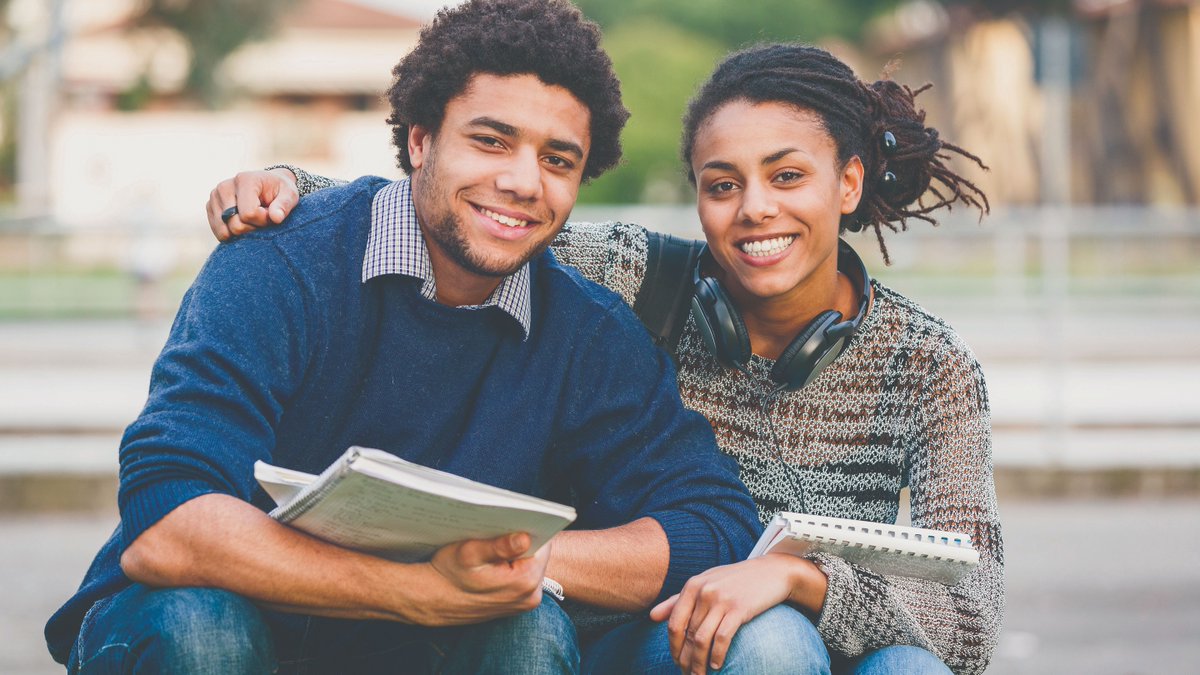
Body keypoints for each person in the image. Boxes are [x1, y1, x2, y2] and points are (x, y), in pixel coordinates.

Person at [209, 45, 1004, 674]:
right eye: (722, 184)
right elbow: (484, 210)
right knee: (771, 645)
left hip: (833, 635)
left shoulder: (931, 365)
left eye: (787, 176)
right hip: (646, 636)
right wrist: (288, 186)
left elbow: (971, 611)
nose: (755, 208)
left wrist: (803, 580)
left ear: (849, 182)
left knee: (908, 667)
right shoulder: (639, 276)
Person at [43, 2, 764, 673]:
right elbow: (167, 516)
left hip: (427, 642)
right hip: (214, 615)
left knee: (528, 624)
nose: (523, 180)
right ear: (420, 140)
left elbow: (712, 520)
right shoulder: (278, 263)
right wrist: (413, 586)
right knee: (202, 623)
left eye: (557, 159)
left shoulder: (588, 331)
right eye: (491, 140)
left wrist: (516, 563)